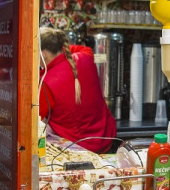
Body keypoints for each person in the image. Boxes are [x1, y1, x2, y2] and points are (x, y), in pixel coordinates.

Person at [39, 26, 117, 154]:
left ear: (44, 54)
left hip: (79, 150)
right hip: (106, 139)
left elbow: (35, 120)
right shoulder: (86, 56)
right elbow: (82, 48)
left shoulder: (45, 83)